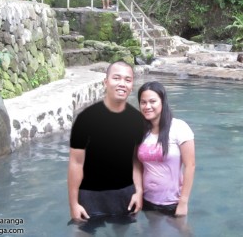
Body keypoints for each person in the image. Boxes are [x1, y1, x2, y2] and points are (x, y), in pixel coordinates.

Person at [68, 61, 145, 227]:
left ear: (132, 86)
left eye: (127, 80)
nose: (122, 84)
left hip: (124, 194)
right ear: (105, 82)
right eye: (116, 78)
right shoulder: (85, 119)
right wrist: (74, 204)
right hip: (90, 195)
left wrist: (139, 191)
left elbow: (136, 160)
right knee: (83, 232)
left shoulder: (137, 120)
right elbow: (76, 162)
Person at [137, 81, 196, 217]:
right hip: (147, 199)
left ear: (163, 102)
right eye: (143, 102)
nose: (147, 106)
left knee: (181, 232)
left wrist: (183, 202)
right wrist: (139, 192)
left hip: (172, 202)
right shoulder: (140, 130)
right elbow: (138, 165)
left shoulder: (179, 128)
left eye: (153, 101)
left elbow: (190, 166)